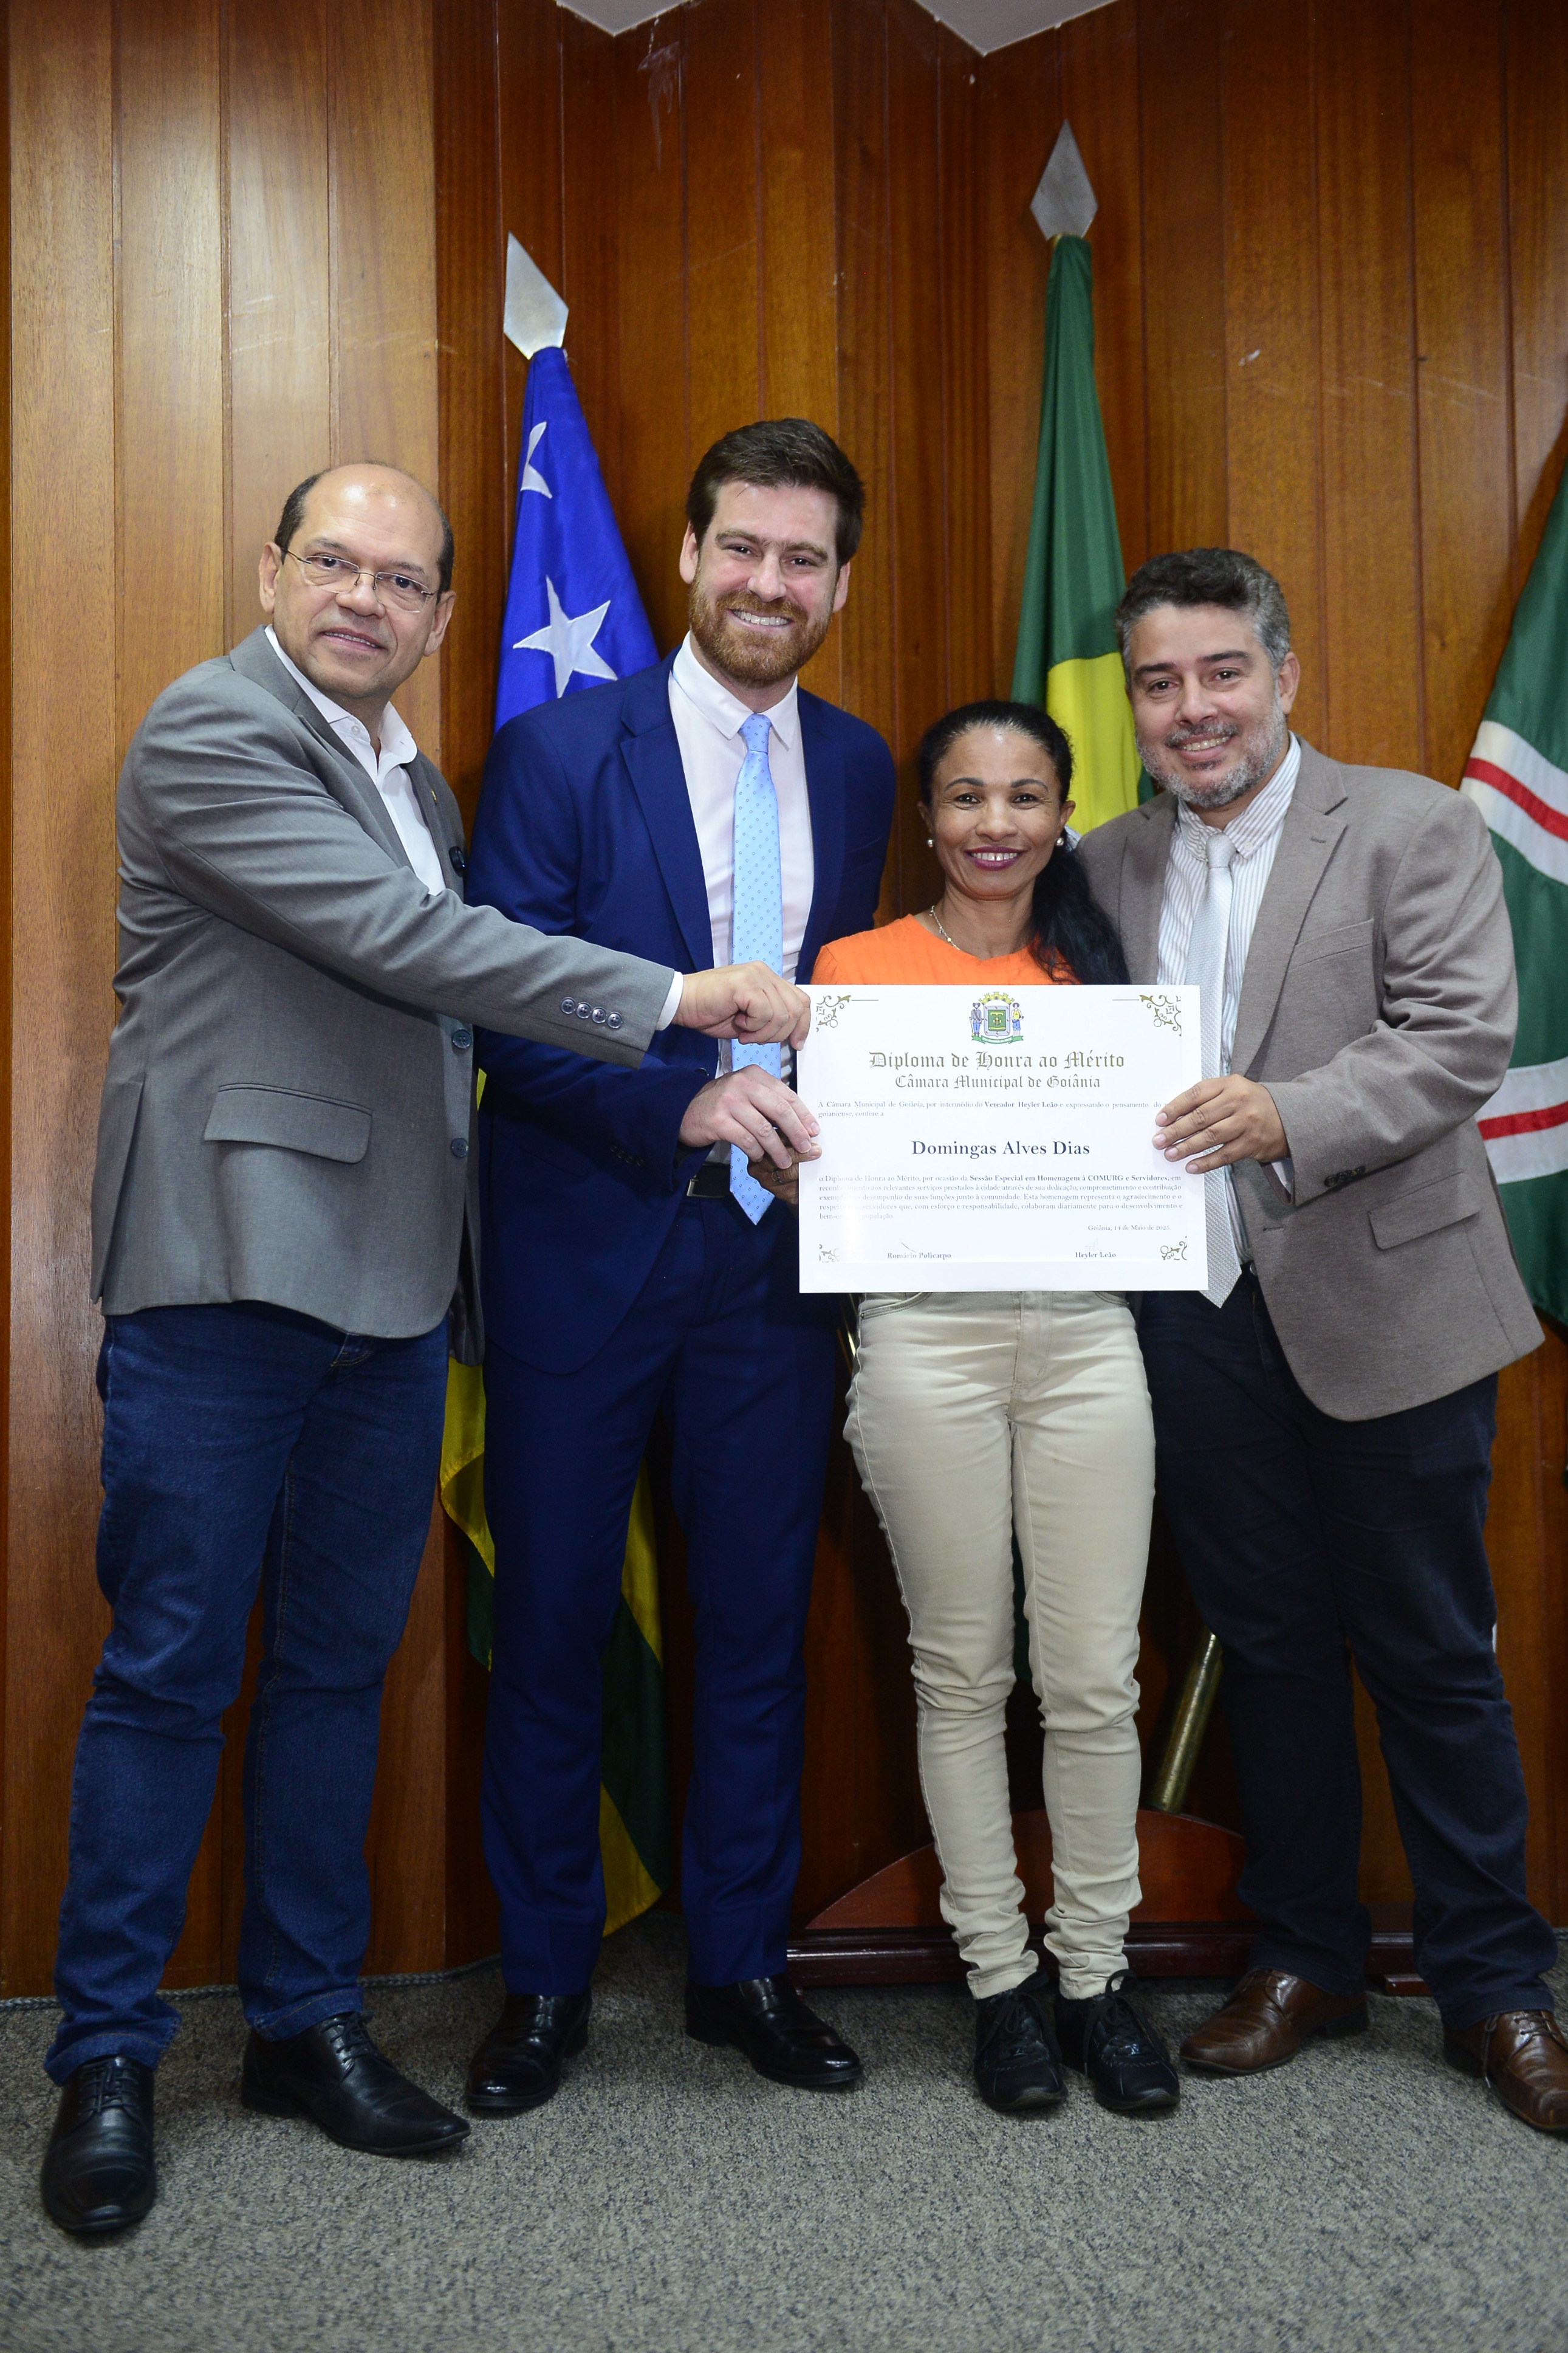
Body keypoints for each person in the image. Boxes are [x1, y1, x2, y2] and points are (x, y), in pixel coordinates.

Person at [42, 461, 810, 2241]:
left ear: (447, 616)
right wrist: (676, 999)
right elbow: (402, 943)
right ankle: (105, 2055)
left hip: (390, 1297)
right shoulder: (214, 731)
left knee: (332, 1676)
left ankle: (303, 2022)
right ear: (271, 571)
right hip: (225, 1272)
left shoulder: (414, 775)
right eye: (334, 563)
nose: (364, 599)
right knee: (169, 1672)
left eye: (402, 581)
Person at [1077, 546, 1566, 2135]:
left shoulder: (1411, 824)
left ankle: (1493, 1986)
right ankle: (1303, 1959)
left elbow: (1456, 1038)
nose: (1192, 708)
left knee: (1432, 1658)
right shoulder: (1100, 863)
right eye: (1159, 682)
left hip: (1391, 1307)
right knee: (1269, 1651)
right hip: (1195, 1323)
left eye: (1221, 672)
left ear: (1283, 675)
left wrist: (1283, 1112)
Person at [462, 420, 895, 2112]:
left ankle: (739, 1966)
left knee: (757, 1627)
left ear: (836, 586)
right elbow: (506, 1009)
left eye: (803, 559)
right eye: (743, 549)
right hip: (584, 1245)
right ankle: (542, 1981)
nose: (767, 583)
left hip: (772, 1272)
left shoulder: (858, 765)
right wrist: (679, 1101)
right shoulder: (557, 749)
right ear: (689, 557)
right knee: (553, 1625)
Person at [813, 701, 1180, 2117]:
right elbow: (826, 1168)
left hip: (1088, 1337)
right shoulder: (854, 974)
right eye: (965, 796)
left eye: (1024, 796)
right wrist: (804, 1176)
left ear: (1061, 814)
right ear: (926, 820)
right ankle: (999, 1981)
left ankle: (1095, 1975)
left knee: (1091, 1678)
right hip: (923, 1341)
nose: (993, 823)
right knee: (960, 1672)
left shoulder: (1111, 978)